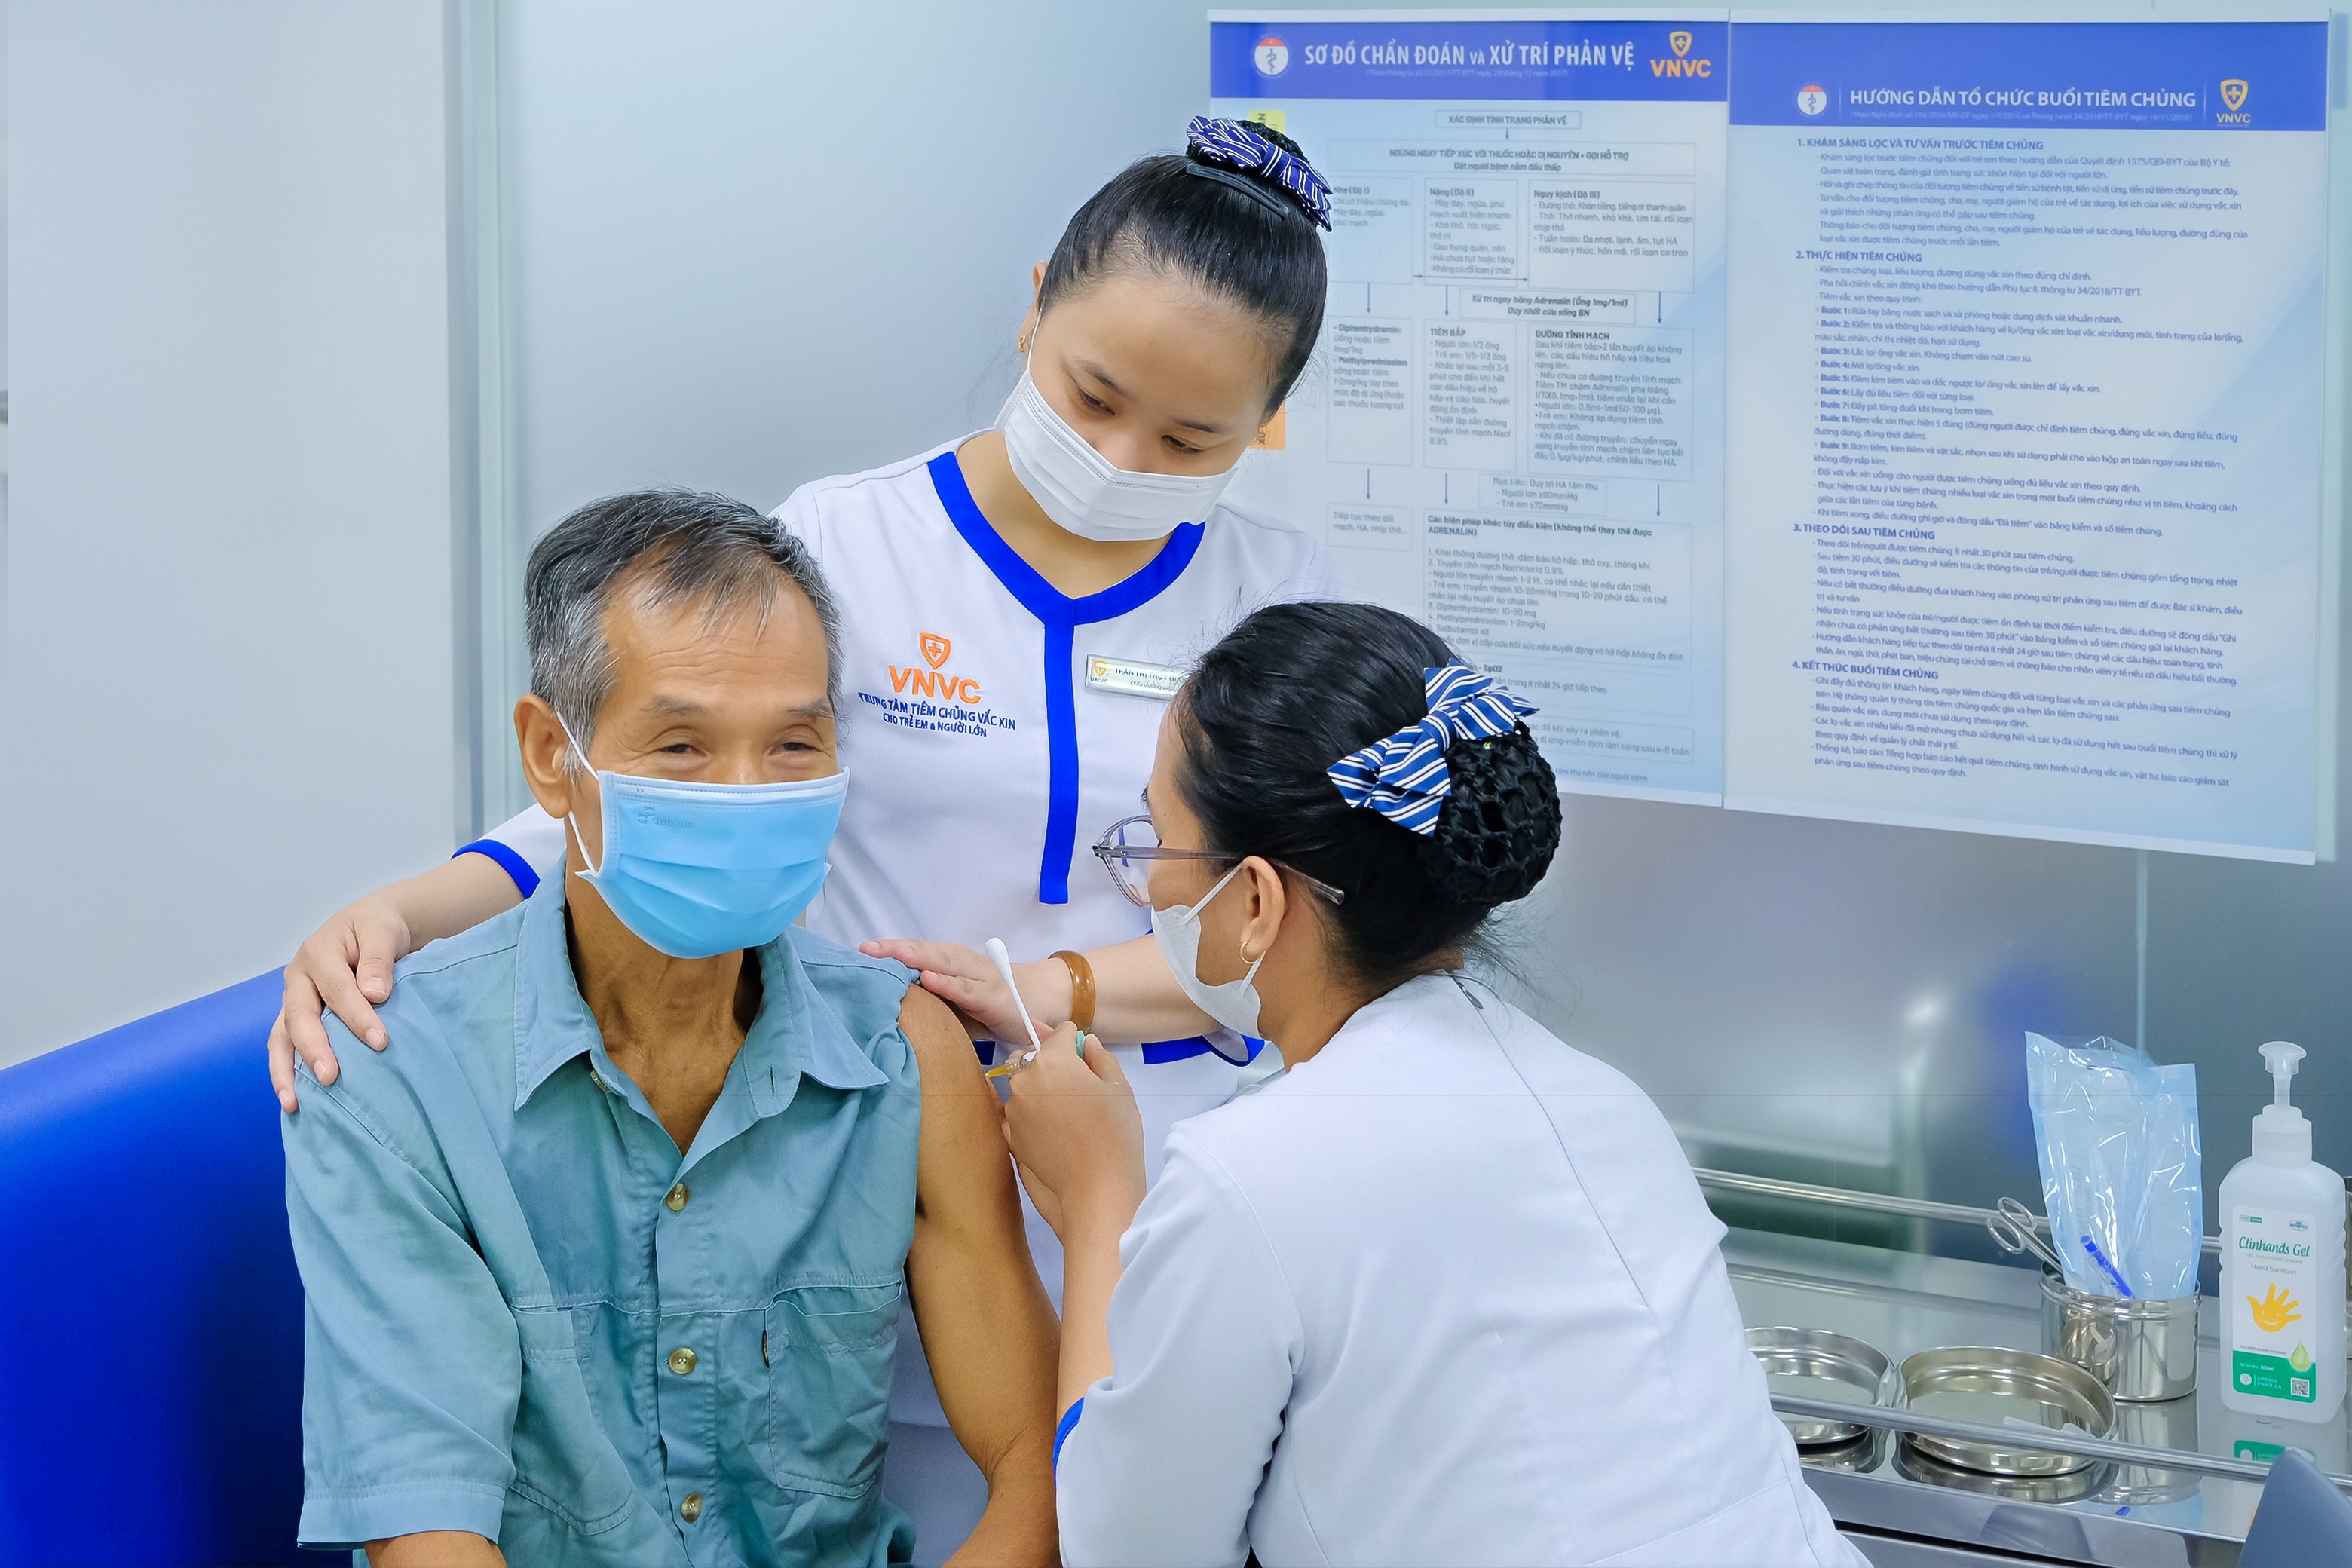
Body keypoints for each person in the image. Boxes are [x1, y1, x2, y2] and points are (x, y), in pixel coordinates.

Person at [269, 115, 1339, 1554]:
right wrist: (406, 910)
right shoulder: (851, 544)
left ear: (1267, 423)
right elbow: (639, 768)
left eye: (1189, 437)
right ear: (1034, 306)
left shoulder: (1281, 605)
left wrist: (1051, 992)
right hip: (828, 1162)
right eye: (1093, 396)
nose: (1118, 454)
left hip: (1134, 1162)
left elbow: (1307, 928)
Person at [999, 600, 1870, 1568]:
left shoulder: (1247, 1178)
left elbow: (1127, 1552)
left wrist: (1097, 1204)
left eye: (1159, 840)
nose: (1150, 882)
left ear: (1253, 900)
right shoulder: (1605, 1102)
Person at [280, 492, 1058, 1566]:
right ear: (552, 756)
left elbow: (1037, 1471)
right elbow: (429, 1534)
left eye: (794, 744)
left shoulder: (904, 1058)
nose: (746, 793)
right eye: (684, 746)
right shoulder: (395, 1074)